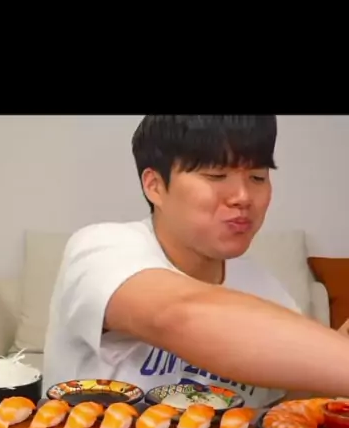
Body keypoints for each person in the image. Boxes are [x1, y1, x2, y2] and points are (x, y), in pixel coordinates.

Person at [43, 115, 349, 398]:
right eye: (216, 175)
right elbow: (175, 314)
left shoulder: (266, 288)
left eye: (257, 177)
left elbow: (293, 403)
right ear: (155, 186)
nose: (243, 197)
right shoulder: (101, 249)